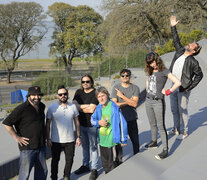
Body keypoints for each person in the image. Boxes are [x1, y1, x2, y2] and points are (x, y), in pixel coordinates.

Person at [168, 16, 203, 140]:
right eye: (190, 43)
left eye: (192, 45)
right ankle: (176, 128)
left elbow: (200, 75)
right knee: (173, 109)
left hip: (183, 88)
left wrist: (189, 87)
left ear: (194, 51)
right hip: (173, 85)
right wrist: (173, 27)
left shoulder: (193, 62)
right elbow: (176, 39)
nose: (189, 44)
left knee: (182, 110)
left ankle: (184, 131)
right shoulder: (179, 51)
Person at [3, 86, 47, 180]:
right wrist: (17, 138)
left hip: (41, 146)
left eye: (38, 95)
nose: (36, 97)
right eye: (34, 95)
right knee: (24, 175)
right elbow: (7, 123)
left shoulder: (42, 106)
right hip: (27, 149)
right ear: (28, 96)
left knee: (43, 172)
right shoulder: (21, 109)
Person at [144, 52, 181, 160]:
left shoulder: (164, 71)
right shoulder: (150, 70)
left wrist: (168, 91)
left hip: (158, 102)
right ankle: (154, 141)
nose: (152, 65)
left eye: (153, 62)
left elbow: (177, 82)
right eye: (150, 63)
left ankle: (165, 150)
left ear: (157, 59)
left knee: (161, 126)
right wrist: (148, 90)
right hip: (148, 100)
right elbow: (148, 79)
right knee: (152, 123)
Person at [46, 85, 81, 180]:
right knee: (55, 161)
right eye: (60, 94)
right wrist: (48, 138)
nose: (63, 96)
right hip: (55, 140)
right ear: (57, 96)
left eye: (65, 94)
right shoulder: (52, 108)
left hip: (70, 140)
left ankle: (66, 176)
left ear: (68, 95)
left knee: (69, 160)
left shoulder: (73, 107)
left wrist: (78, 136)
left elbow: (77, 122)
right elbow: (48, 124)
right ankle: (54, 177)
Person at [91, 86, 128, 174]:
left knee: (114, 166)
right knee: (106, 166)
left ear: (107, 95)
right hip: (102, 141)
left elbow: (123, 123)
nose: (101, 98)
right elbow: (92, 120)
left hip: (113, 142)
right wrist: (98, 122)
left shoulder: (114, 108)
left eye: (103, 95)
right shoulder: (98, 108)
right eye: (99, 97)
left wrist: (123, 139)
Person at [73, 74, 99, 180]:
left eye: (87, 82)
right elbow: (73, 105)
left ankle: (94, 168)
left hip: (92, 125)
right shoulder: (78, 92)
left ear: (91, 82)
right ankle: (85, 165)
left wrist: (79, 107)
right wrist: (86, 106)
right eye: (83, 82)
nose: (85, 84)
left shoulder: (96, 93)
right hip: (81, 124)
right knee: (85, 147)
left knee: (93, 147)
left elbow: (92, 110)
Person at [111, 68, 140, 164]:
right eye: (123, 75)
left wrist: (122, 97)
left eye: (127, 75)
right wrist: (129, 102)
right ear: (120, 77)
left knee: (135, 140)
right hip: (119, 119)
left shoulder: (135, 88)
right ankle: (119, 160)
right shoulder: (116, 87)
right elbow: (114, 104)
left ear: (129, 77)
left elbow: (135, 104)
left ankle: (137, 155)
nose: (125, 77)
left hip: (131, 117)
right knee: (119, 142)